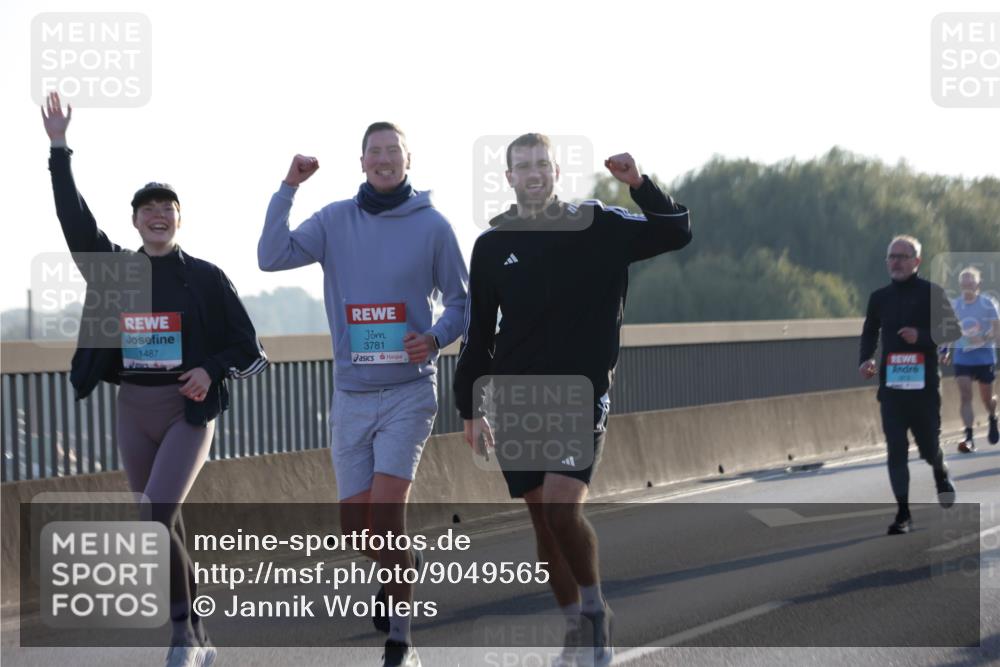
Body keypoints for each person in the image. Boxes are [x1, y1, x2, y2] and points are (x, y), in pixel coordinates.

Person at [42, 91, 268, 667]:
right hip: (133, 411)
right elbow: (74, 220)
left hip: (186, 412)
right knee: (165, 528)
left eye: (167, 208)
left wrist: (208, 368)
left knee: (154, 518)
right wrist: (59, 149)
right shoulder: (118, 271)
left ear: (179, 218)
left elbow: (247, 345)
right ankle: (200, 633)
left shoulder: (207, 277)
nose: (158, 216)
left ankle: (182, 638)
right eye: (148, 210)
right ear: (136, 221)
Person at [453, 133, 692, 667]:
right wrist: (469, 406)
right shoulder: (492, 246)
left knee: (563, 509)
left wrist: (639, 184)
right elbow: (478, 334)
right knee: (543, 524)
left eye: (542, 164)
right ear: (510, 177)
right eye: (523, 166)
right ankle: (574, 632)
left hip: (580, 394)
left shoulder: (598, 224)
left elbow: (676, 231)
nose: (533, 173)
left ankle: (595, 615)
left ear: (556, 172)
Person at [258, 123, 468, 667]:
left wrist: (436, 337)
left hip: (408, 393)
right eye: (374, 152)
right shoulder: (334, 221)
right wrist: (289, 185)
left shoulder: (434, 226)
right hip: (351, 395)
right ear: (361, 162)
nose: (383, 160)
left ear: (407, 160)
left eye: (392, 151)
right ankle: (404, 565)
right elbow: (270, 255)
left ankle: (402, 638)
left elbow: (461, 303)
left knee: (386, 513)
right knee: (359, 531)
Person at [858, 235, 960, 535]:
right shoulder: (879, 298)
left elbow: (952, 330)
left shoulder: (932, 293)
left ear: (917, 261)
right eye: (891, 256)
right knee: (896, 449)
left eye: (903, 256)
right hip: (891, 387)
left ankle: (940, 472)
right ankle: (903, 514)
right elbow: (869, 331)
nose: (896, 262)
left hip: (924, 387)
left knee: (929, 446)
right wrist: (866, 359)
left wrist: (923, 336)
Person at [939, 266, 999, 453]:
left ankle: (992, 416)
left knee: (986, 398)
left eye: (970, 283)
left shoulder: (988, 304)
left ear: (978, 284)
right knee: (965, 396)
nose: (967, 286)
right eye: (963, 283)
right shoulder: (954, 305)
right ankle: (969, 436)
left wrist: (983, 338)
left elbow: (997, 331)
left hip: (984, 357)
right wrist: (944, 350)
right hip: (962, 357)